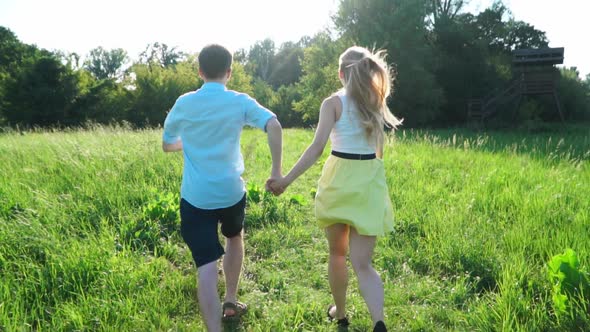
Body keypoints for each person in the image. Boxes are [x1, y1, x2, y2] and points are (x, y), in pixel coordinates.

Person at [266, 46, 400, 332]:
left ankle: (340, 314)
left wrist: (286, 180)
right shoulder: (375, 103)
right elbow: (379, 151)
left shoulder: (333, 103)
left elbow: (316, 148)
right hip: (369, 182)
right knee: (363, 263)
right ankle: (378, 320)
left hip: (339, 179)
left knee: (337, 254)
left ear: (341, 74)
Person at [162, 44, 283, 332]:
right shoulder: (239, 101)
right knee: (234, 237)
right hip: (231, 192)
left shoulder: (184, 103)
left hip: (196, 197)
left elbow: (167, 144)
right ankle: (230, 299)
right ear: (229, 72)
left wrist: (185, 143)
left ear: (200, 71)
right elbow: (274, 124)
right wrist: (276, 172)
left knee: (205, 267)